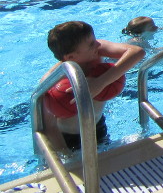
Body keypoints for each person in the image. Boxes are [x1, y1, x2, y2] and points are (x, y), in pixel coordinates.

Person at [42, 21, 145, 151]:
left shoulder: (96, 50)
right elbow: (49, 127)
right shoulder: (54, 82)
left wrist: (100, 82)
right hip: (70, 140)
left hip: (98, 126)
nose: (97, 44)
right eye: (91, 44)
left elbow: (137, 52)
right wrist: (66, 155)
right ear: (71, 57)